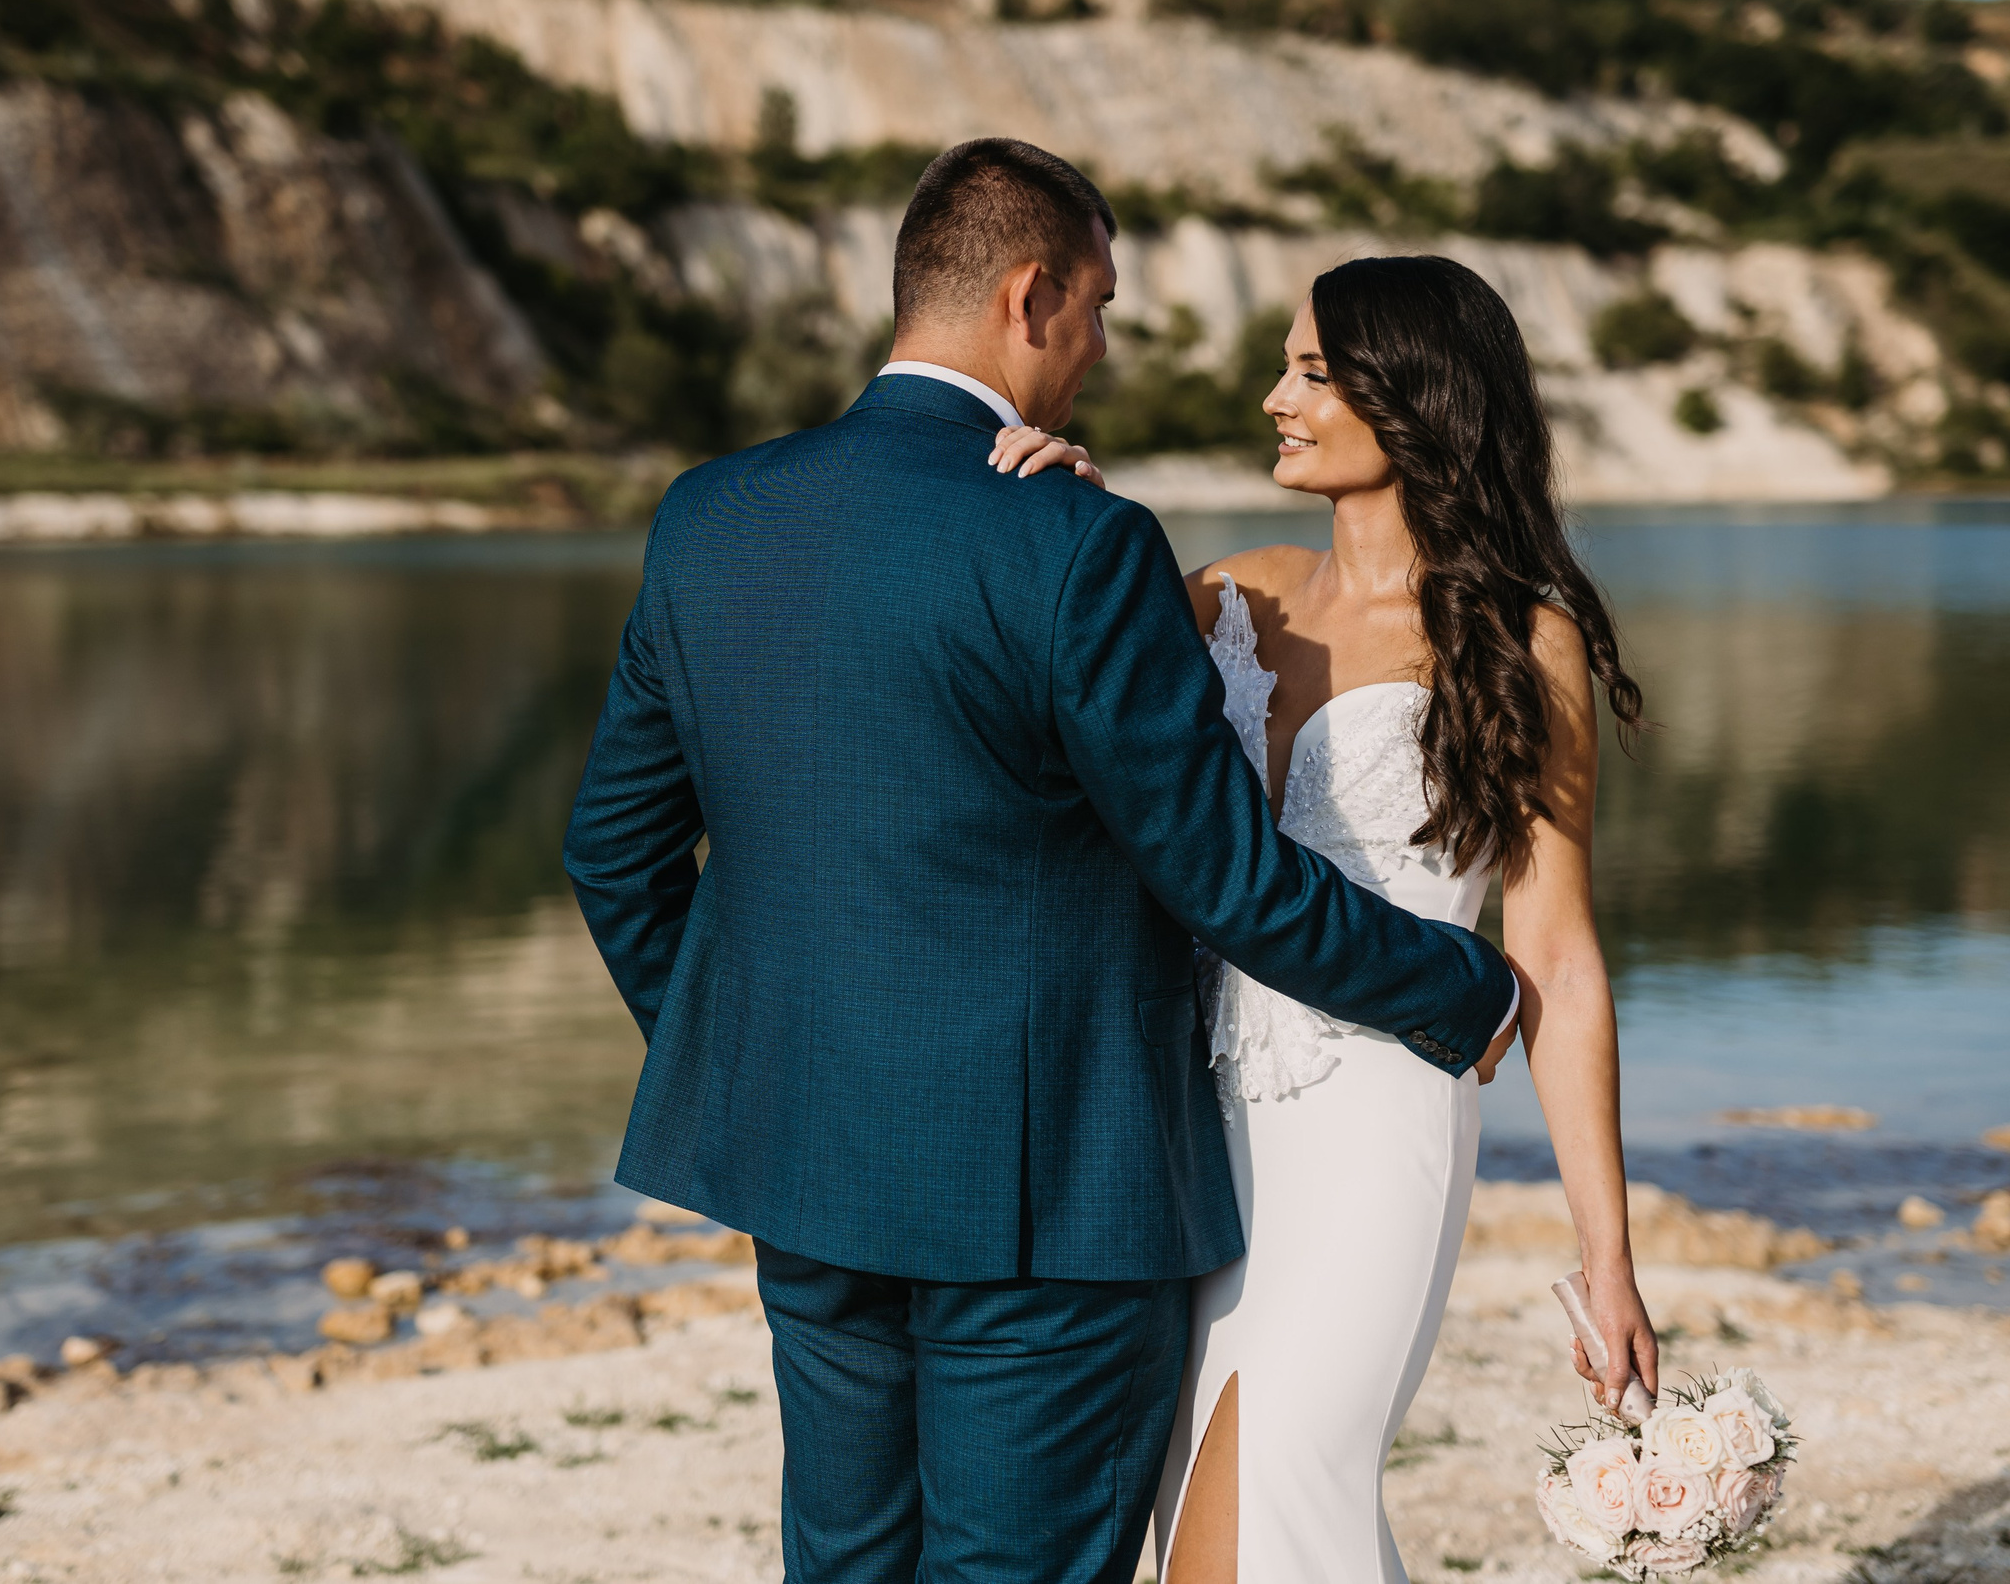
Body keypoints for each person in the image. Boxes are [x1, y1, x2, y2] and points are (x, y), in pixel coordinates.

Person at [562, 142, 1517, 1584]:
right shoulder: (1079, 545)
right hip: (1052, 1206)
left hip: (808, 1171)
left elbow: (614, 857)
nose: (1103, 346)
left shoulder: (711, 515)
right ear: (1031, 299)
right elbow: (1226, 883)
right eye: (1101, 312)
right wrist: (1468, 989)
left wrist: (771, 1061)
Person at [993, 253, 1658, 1584]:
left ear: (1410, 398)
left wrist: (1608, 1255)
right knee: (1202, 1516)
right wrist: (1062, 531)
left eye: (1309, 371)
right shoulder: (1222, 595)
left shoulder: (1522, 642)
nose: (1271, 399)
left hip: (1374, 1128)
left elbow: (1557, 962)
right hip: (1187, 1131)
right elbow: (1091, 770)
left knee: (1273, 1494)